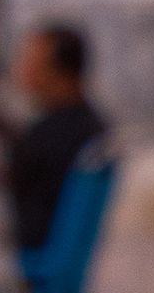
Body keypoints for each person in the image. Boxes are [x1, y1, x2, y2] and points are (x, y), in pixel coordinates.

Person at [9, 20, 107, 261]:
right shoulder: (88, 125)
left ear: (60, 71)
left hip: (32, 257)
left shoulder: (60, 133)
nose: (21, 69)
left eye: (31, 61)